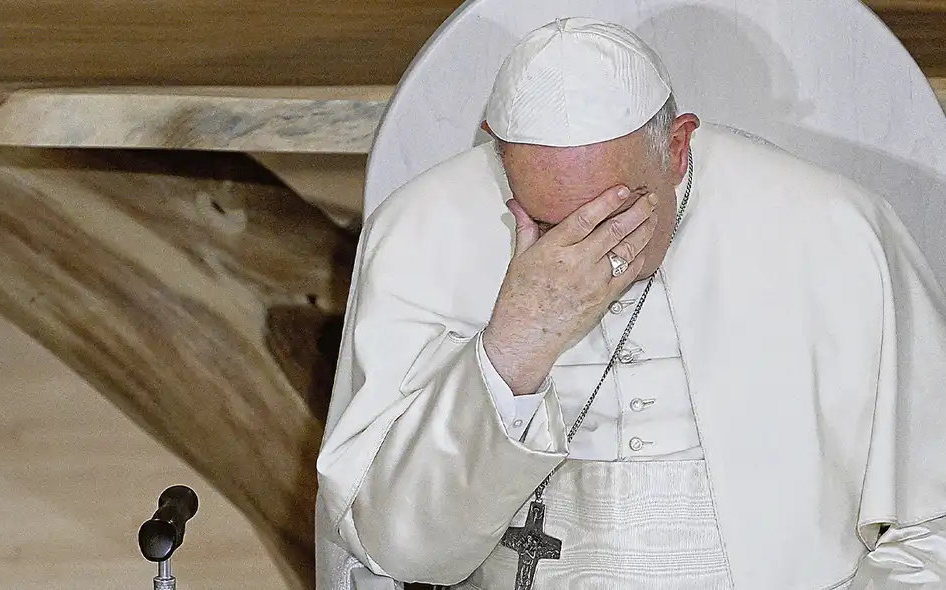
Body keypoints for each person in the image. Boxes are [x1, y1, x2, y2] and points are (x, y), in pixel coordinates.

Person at [316, 17, 946, 589]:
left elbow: (932, 528)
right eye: (547, 221)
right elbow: (394, 552)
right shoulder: (423, 229)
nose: (587, 249)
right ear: (498, 152)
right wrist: (521, 336)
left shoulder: (832, 227)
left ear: (676, 148)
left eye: (617, 212)